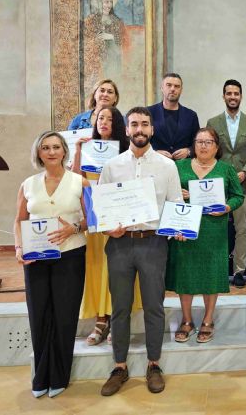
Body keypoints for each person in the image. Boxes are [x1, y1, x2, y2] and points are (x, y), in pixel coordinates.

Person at [98, 107, 183, 396]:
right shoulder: (112, 166)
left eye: (145, 124)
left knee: (154, 306)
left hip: (153, 243)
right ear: (126, 129)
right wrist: (109, 228)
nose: (139, 130)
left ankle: (154, 364)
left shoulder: (166, 166)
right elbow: (102, 209)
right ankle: (119, 366)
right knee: (120, 307)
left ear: (152, 130)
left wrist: (179, 227)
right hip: (120, 244)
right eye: (134, 124)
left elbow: (174, 205)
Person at [13, 131, 90, 398]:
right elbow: (18, 220)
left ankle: (59, 376)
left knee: (64, 316)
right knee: (39, 314)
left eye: (56, 147)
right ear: (38, 153)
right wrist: (19, 247)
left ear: (64, 151)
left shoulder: (80, 182)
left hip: (70, 255)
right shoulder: (28, 184)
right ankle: (40, 377)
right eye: (45, 147)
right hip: (35, 259)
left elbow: (93, 218)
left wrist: (74, 228)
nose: (51, 152)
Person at [166, 128, 244, 343]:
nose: (203, 145)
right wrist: (177, 195)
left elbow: (238, 196)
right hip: (185, 229)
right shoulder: (178, 166)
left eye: (208, 141)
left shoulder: (226, 169)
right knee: (185, 274)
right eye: (199, 141)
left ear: (216, 147)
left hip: (214, 230)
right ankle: (187, 320)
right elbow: (166, 192)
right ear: (193, 145)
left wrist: (227, 207)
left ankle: (208, 319)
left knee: (211, 273)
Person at [71, 106, 142, 346]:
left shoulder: (124, 152)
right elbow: (73, 180)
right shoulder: (87, 148)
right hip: (94, 217)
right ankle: (100, 320)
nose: (104, 122)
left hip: (117, 218)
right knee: (97, 267)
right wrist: (79, 150)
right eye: (101, 118)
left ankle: (116, 318)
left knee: (117, 269)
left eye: (110, 119)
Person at [206, 79, 246, 289]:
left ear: (241, 96)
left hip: (244, 185)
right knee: (215, 227)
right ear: (223, 96)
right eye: (228, 93)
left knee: (242, 228)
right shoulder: (213, 122)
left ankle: (239, 270)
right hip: (218, 184)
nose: (232, 97)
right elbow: (211, 150)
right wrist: (224, 173)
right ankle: (216, 268)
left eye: (236, 93)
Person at [147, 73, 200, 159]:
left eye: (176, 86)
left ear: (181, 90)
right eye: (169, 85)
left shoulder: (191, 115)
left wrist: (188, 151)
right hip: (155, 164)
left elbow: (197, 142)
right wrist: (154, 152)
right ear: (162, 88)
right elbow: (141, 140)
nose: (172, 89)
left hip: (183, 166)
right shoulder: (148, 113)